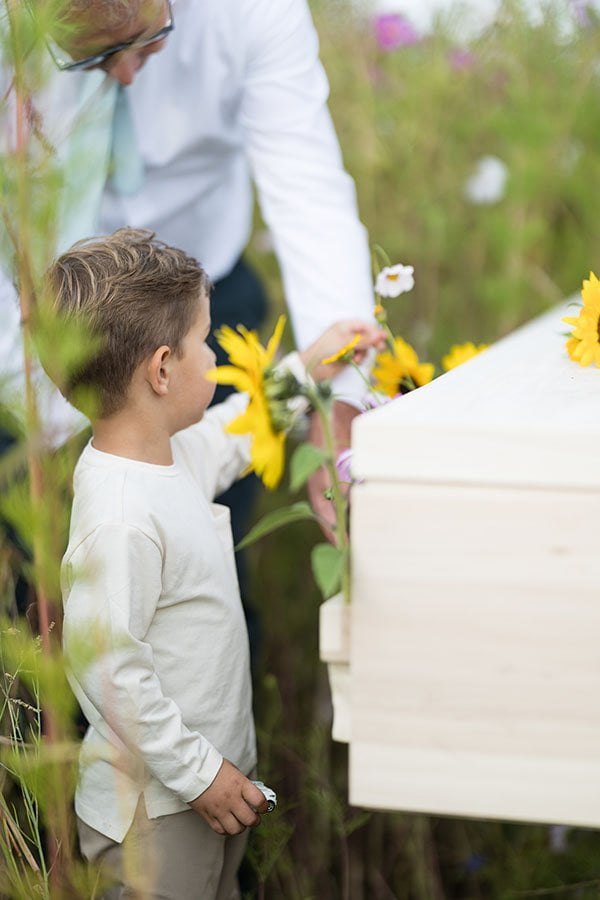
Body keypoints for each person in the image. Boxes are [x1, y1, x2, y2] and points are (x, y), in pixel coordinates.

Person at [45, 226, 382, 898]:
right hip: (159, 812)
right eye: (206, 342)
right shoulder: (120, 516)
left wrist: (305, 372)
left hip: (205, 783)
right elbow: (108, 669)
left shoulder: (163, 454)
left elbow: (232, 435)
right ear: (162, 370)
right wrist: (200, 775)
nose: (217, 356)